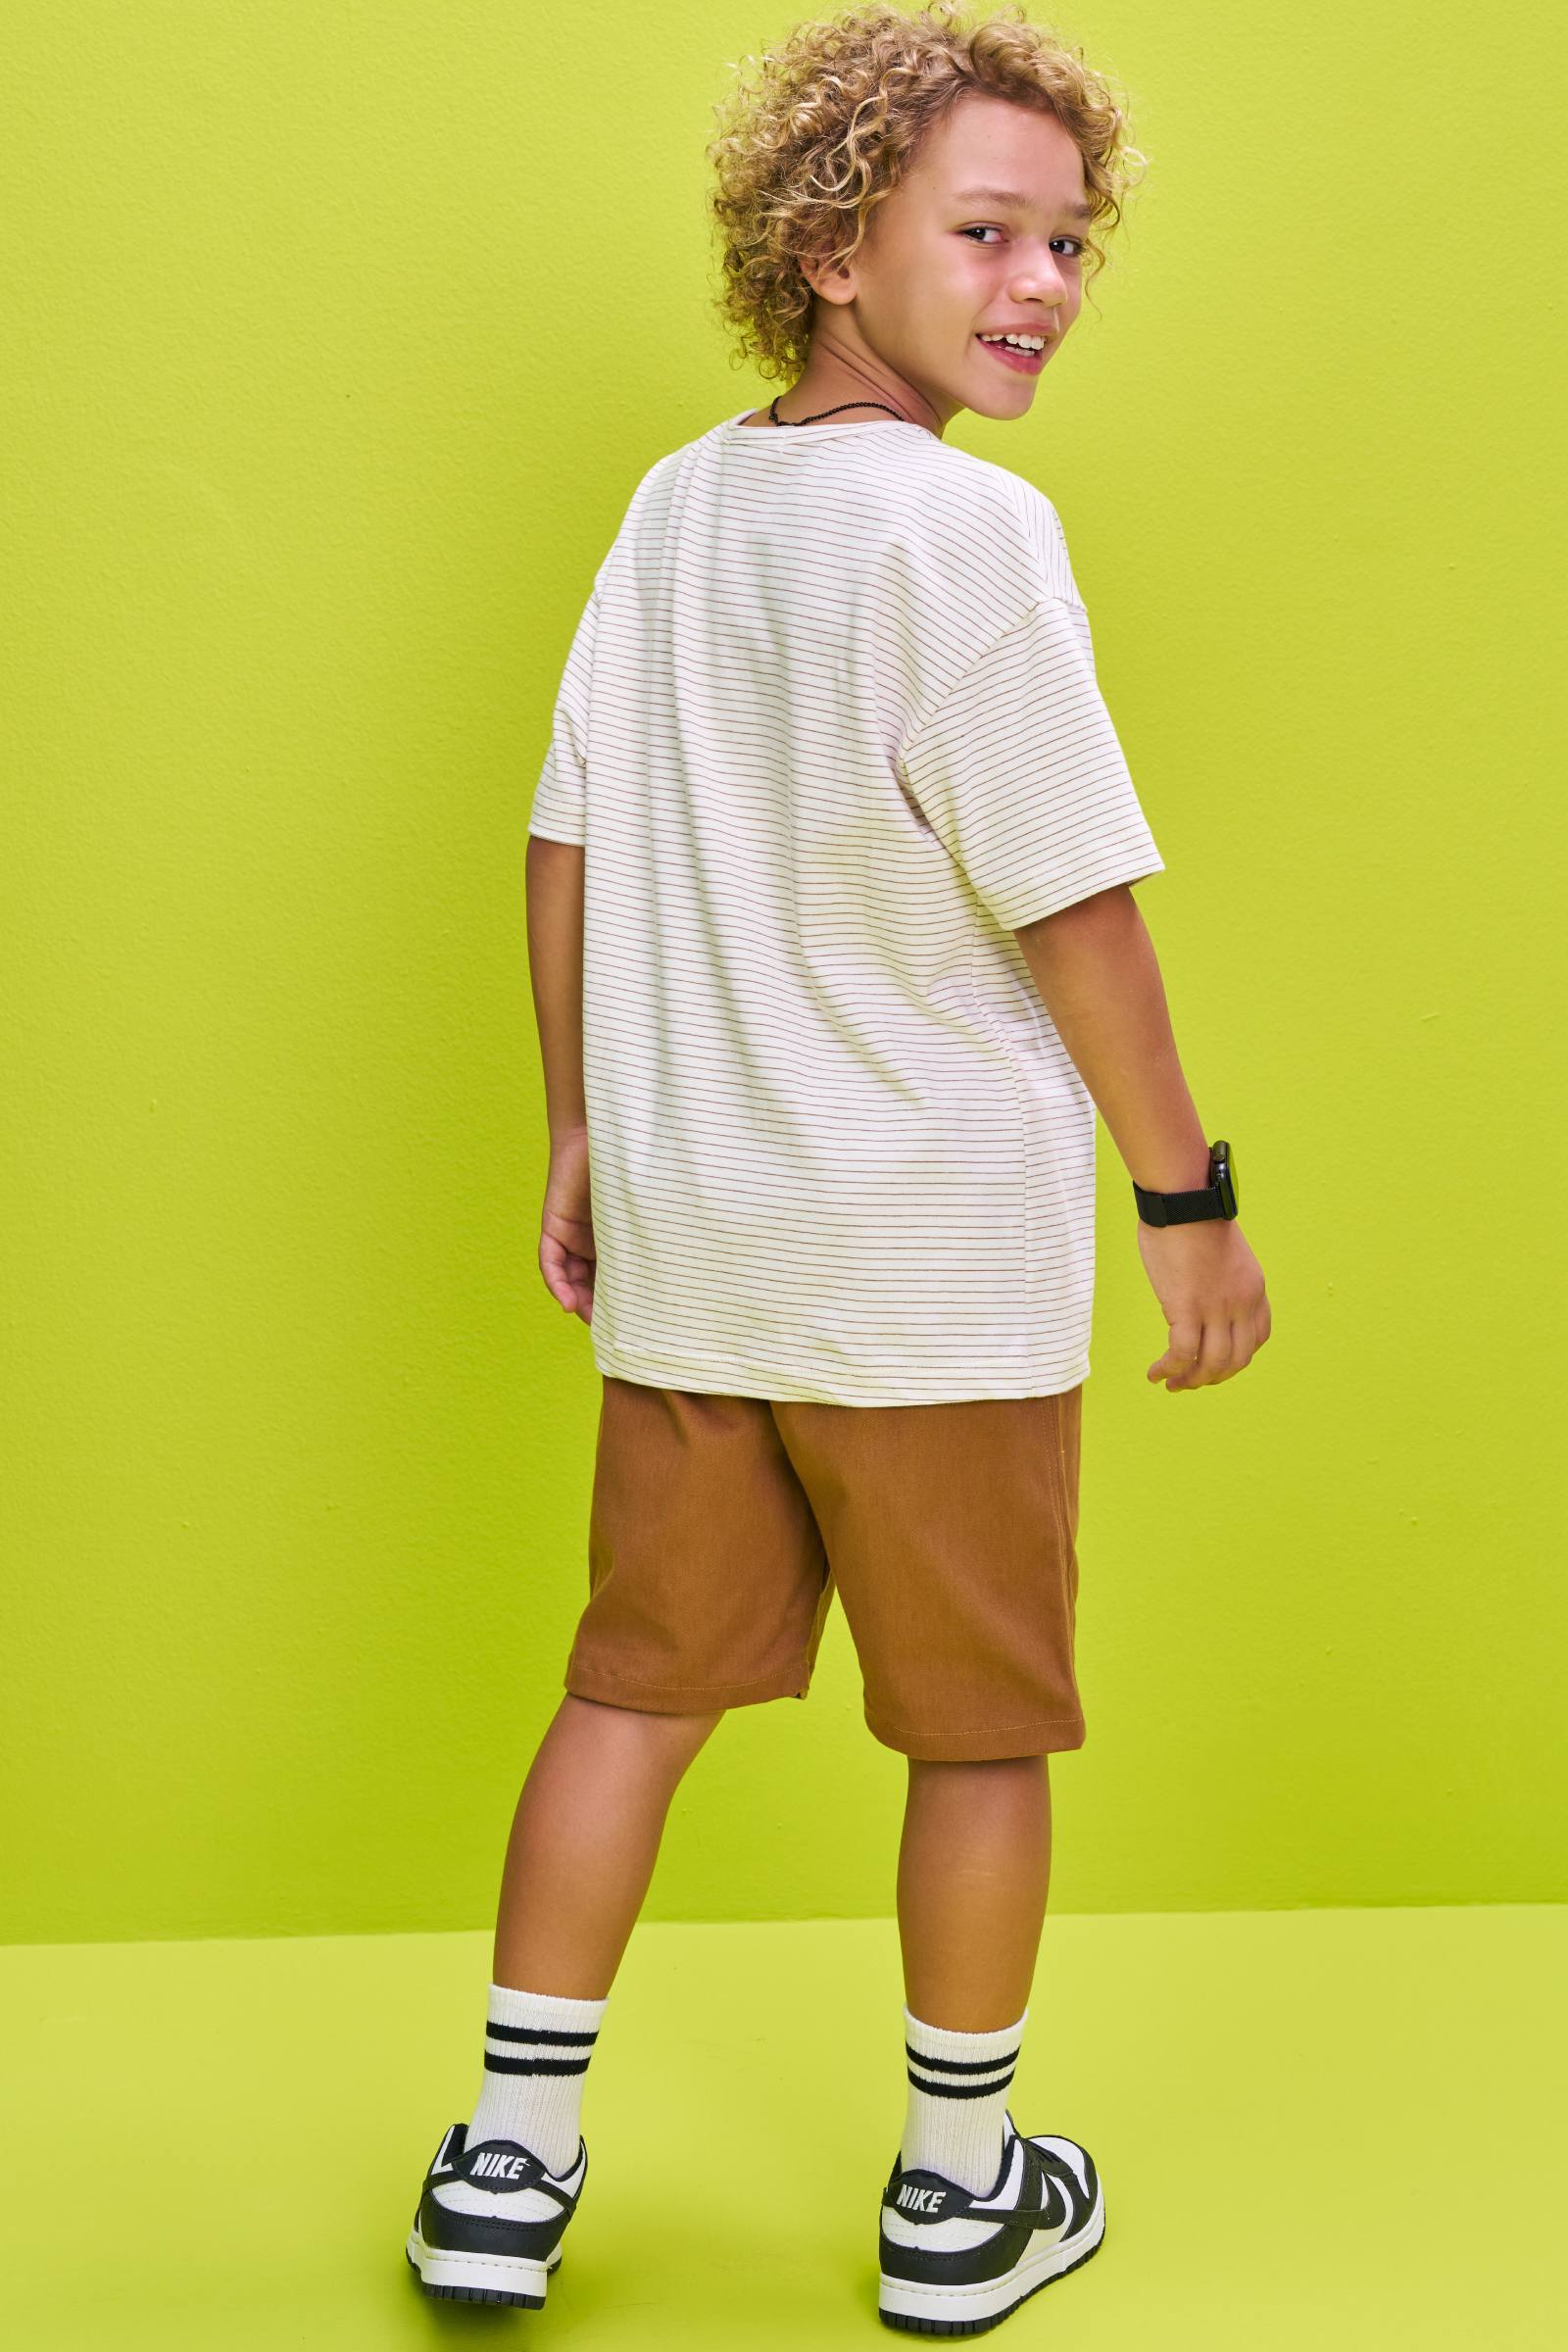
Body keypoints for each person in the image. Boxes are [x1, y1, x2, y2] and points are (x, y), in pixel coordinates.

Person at [404, 1, 1271, 2332]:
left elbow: (565, 835)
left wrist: (581, 1123)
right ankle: (960, 2195)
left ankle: (506, 2156)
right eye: (983, 232)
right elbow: (1070, 901)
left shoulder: (676, 507)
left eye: (1069, 242)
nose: (1041, 283)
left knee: (628, 1695)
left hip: (700, 1245)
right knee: (976, 1729)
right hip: (924, 1269)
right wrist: (1181, 1201)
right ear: (822, 247)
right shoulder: (967, 528)